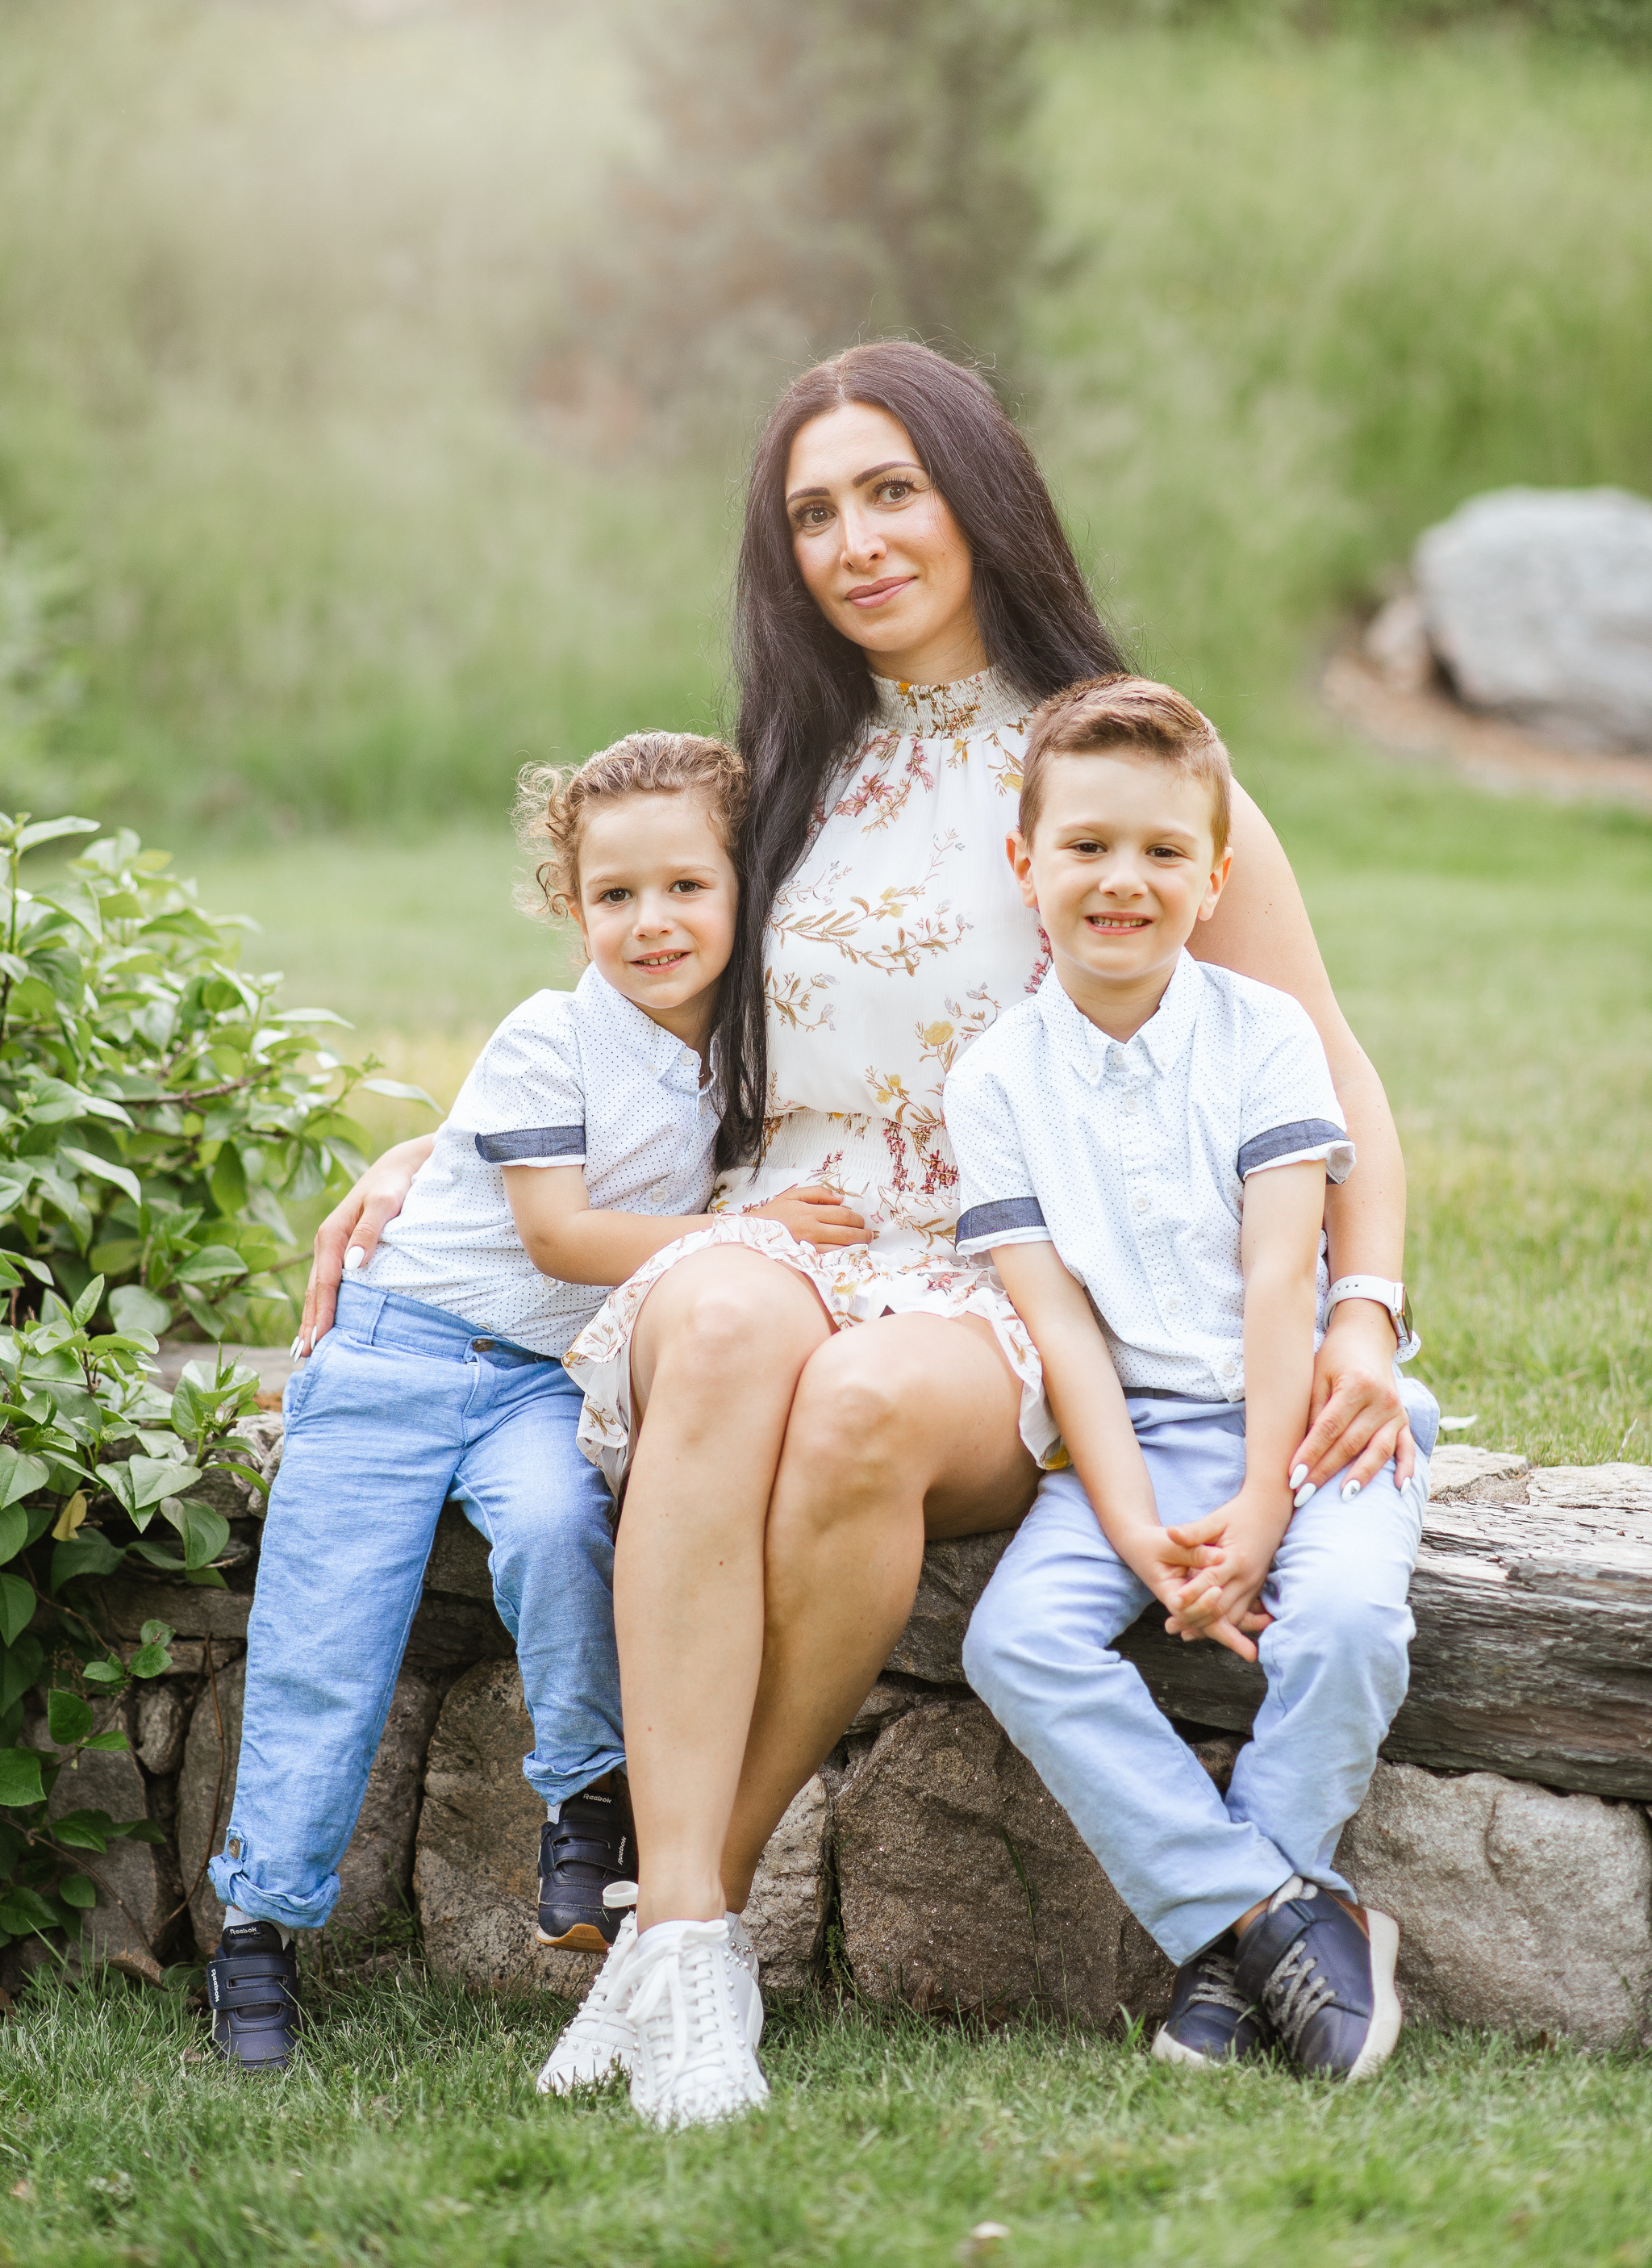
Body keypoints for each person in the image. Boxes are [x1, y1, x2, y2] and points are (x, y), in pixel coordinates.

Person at [302, 343, 1429, 2124]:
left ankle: (680, 1918)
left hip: (1016, 1277)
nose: (855, 540)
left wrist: (1361, 1308)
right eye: (812, 511)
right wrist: (443, 1152)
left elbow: (1330, 1074)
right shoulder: (785, 771)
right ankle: (689, 1949)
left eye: (891, 489)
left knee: (855, 1412)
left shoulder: (1115, 763)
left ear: (981, 494)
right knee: (731, 1327)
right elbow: (636, 973)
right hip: (790, 1223)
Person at [206, 730, 857, 2070]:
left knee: (567, 1537)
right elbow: (559, 1238)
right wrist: (752, 1239)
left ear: (747, 886)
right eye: (614, 896)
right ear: (571, 907)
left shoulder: (752, 1049)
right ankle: (256, 1933)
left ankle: (582, 1811)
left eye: (687, 886)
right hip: (395, 1357)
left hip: (531, 1389)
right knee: (325, 1639)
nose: (652, 922)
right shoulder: (549, 1035)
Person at [944, 675, 1434, 2082]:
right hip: (1137, 1432)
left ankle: (1224, 1960)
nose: (1123, 881)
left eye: (1164, 853)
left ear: (1217, 877)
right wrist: (1142, 1534)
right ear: (1023, 862)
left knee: (1341, 1623)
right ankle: (1281, 1914)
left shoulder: (1260, 1037)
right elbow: (1063, 1334)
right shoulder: (996, 1083)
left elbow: (1285, 1286)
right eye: (1088, 846)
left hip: (1313, 1413)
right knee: (1015, 1641)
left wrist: (1268, 1523)